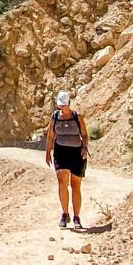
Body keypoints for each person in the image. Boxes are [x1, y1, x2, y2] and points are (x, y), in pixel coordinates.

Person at [46, 89, 88, 228]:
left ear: (69, 104)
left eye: (64, 105)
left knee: (75, 185)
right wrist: (47, 152)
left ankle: (76, 217)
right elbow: (51, 136)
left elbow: (85, 135)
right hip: (61, 152)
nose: (62, 108)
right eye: (60, 105)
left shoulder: (77, 117)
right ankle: (65, 214)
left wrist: (84, 148)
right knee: (62, 182)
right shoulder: (55, 117)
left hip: (76, 153)